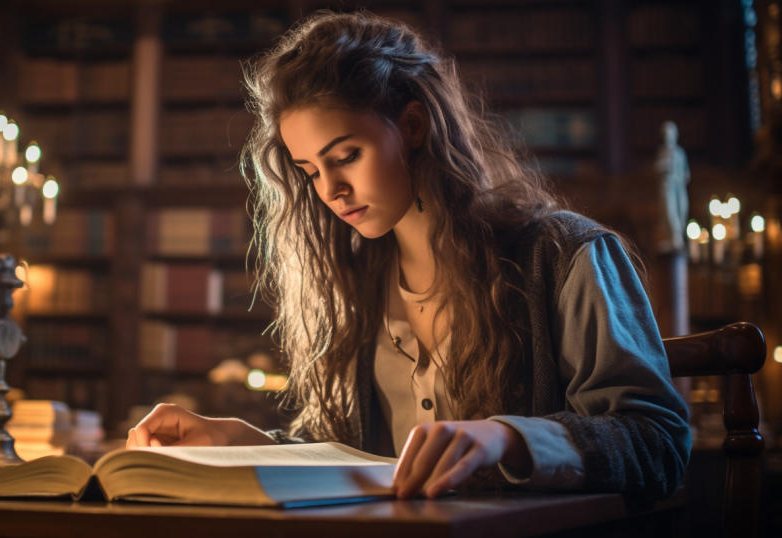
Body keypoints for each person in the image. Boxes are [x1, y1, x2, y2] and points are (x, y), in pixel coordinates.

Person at [127, 10, 691, 501]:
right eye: (310, 171)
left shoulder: (563, 255)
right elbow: (357, 460)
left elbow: (658, 442)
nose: (330, 190)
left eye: (346, 155)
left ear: (414, 125)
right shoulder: (351, 286)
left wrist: (508, 438)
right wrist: (241, 442)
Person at [656, 121, 691, 251]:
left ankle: (677, 237)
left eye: (670, 134)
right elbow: (658, 168)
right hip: (668, 187)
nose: (668, 137)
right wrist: (665, 165)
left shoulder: (680, 153)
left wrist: (681, 176)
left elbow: (687, 173)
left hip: (679, 187)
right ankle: (674, 238)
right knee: (669, 212)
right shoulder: (662, 152)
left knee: (682, 211)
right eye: (665, 134)